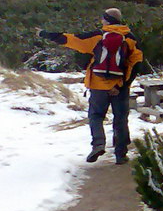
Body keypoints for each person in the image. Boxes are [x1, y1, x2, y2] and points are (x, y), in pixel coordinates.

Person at [38, 8, 144, 164]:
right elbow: (135, 65)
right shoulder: (130, 38)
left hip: (98, 85)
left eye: (103, 19)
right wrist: (122, 85)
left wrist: (45, 34)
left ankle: (98, 144)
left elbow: (71, 39)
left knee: (96, 116)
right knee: (120, 119)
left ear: (106, 20)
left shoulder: (97, 36)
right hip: (119, 86)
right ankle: (121, 154)